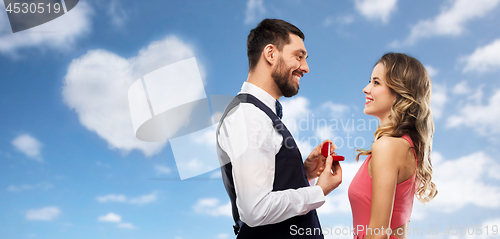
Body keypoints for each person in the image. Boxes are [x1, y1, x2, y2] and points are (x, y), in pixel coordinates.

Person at [216, 19, 343, 238]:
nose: (305, 68)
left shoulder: (261, 113)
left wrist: (304, 174)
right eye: (299, 56)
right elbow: (255, 210)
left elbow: (269, 186)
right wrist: (318, 191)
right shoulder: (249, 116)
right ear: (271, 54)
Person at [348, 53, 438, 239]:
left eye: (376, 83)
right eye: (370, 81)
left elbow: (378, 233)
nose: (366, 89)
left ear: (400, 93)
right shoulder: (406, 146)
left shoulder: (387, 147)